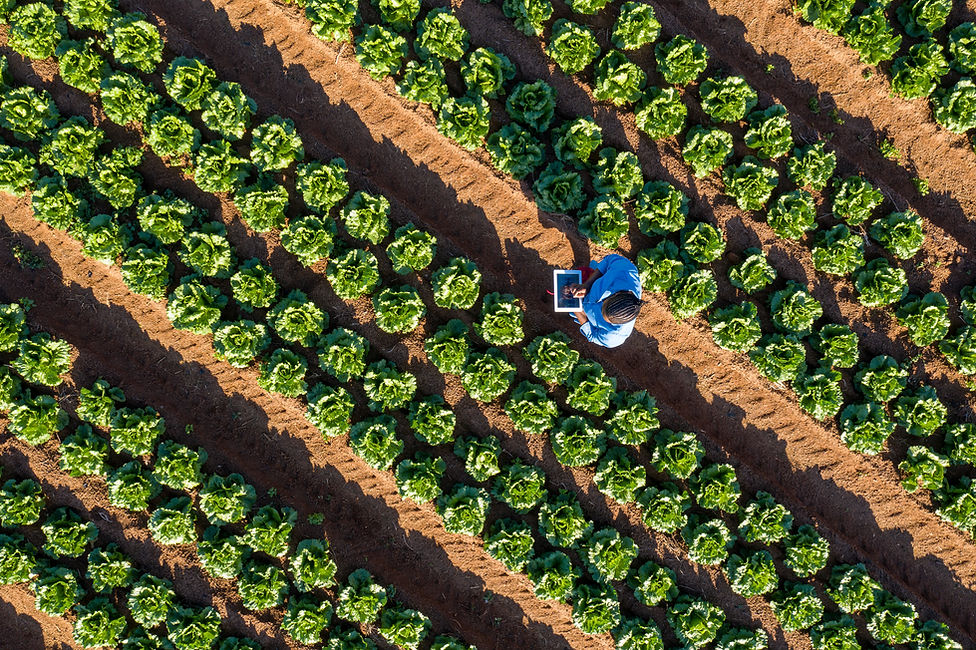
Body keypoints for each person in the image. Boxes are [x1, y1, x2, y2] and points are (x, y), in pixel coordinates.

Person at [563, 254, 643, 348]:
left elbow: (593, 335)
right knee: (593, 269)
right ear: (616, 294)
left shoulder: (614, 337)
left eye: (601, 316)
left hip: (582, 312)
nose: (598, 307)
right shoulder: (625, 270)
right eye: (602, 306)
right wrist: (587, 285)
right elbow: (608, 260)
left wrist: (577, 310)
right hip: (590, 287)